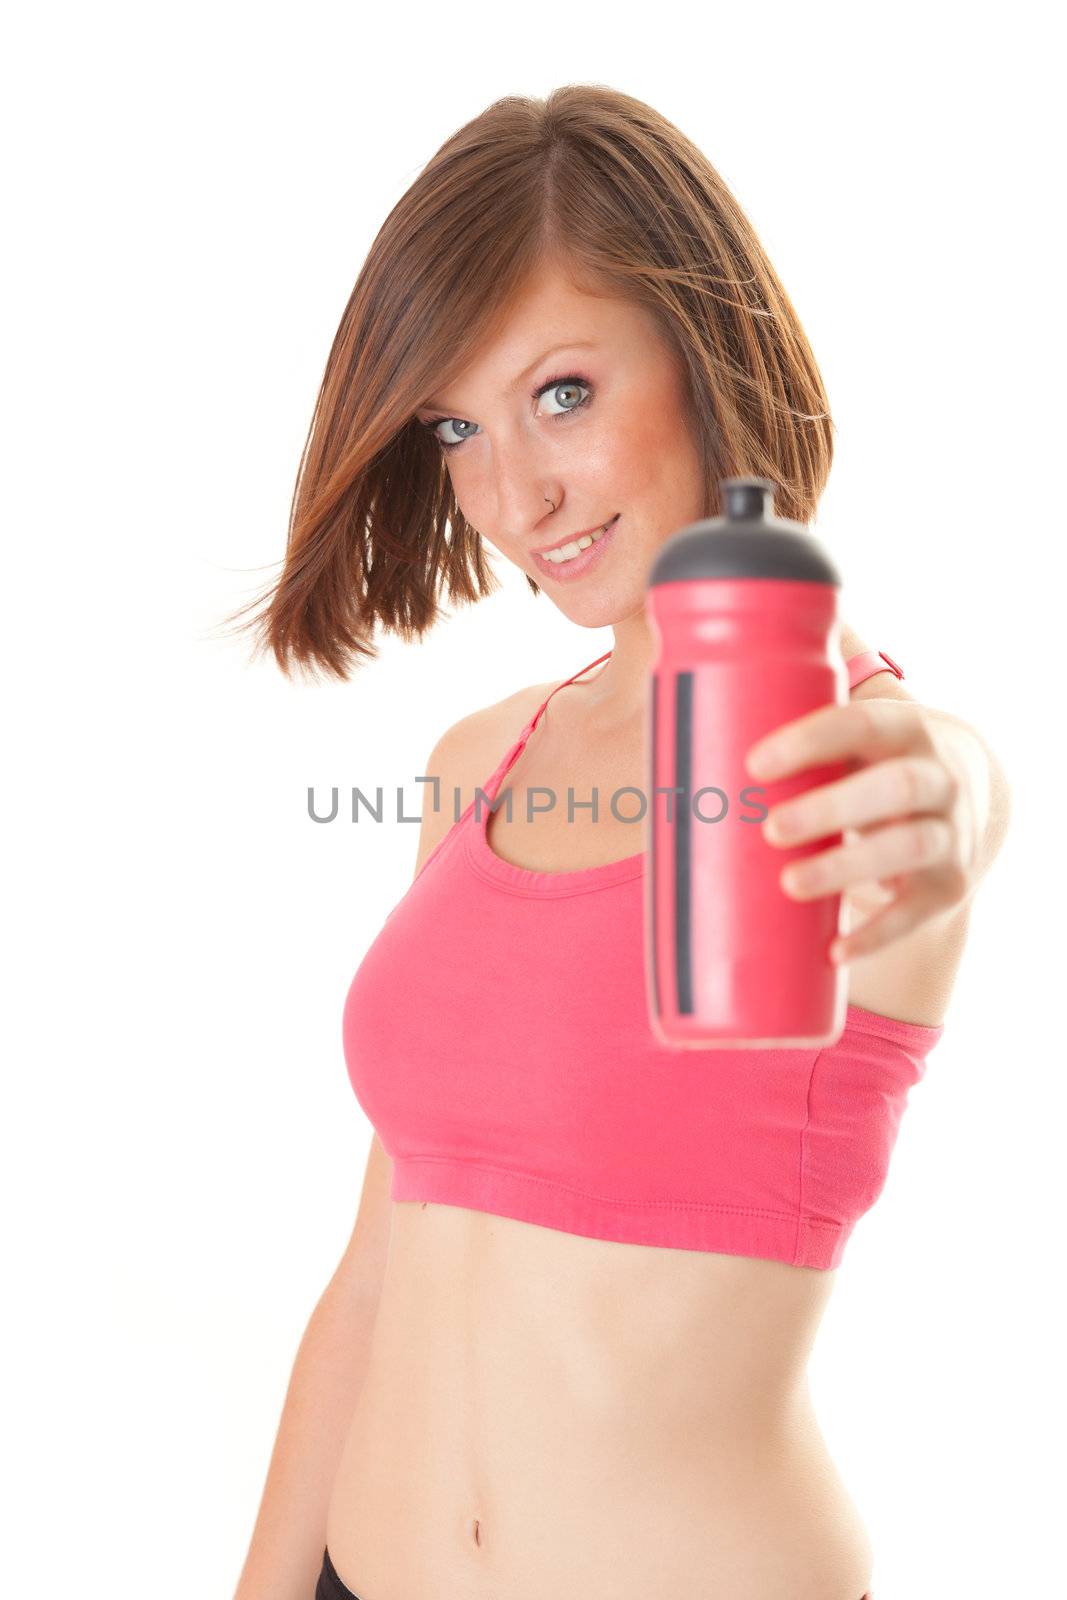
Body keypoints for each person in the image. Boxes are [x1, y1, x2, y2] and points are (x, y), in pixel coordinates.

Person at [228, 86, 1009, 1600]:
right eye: (458, 426)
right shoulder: (477, 764)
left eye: (564, 391)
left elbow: (954, 800)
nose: (511, 495)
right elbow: (379, 1269)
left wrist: (952, 806)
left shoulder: (847, 767)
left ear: (701, 353)